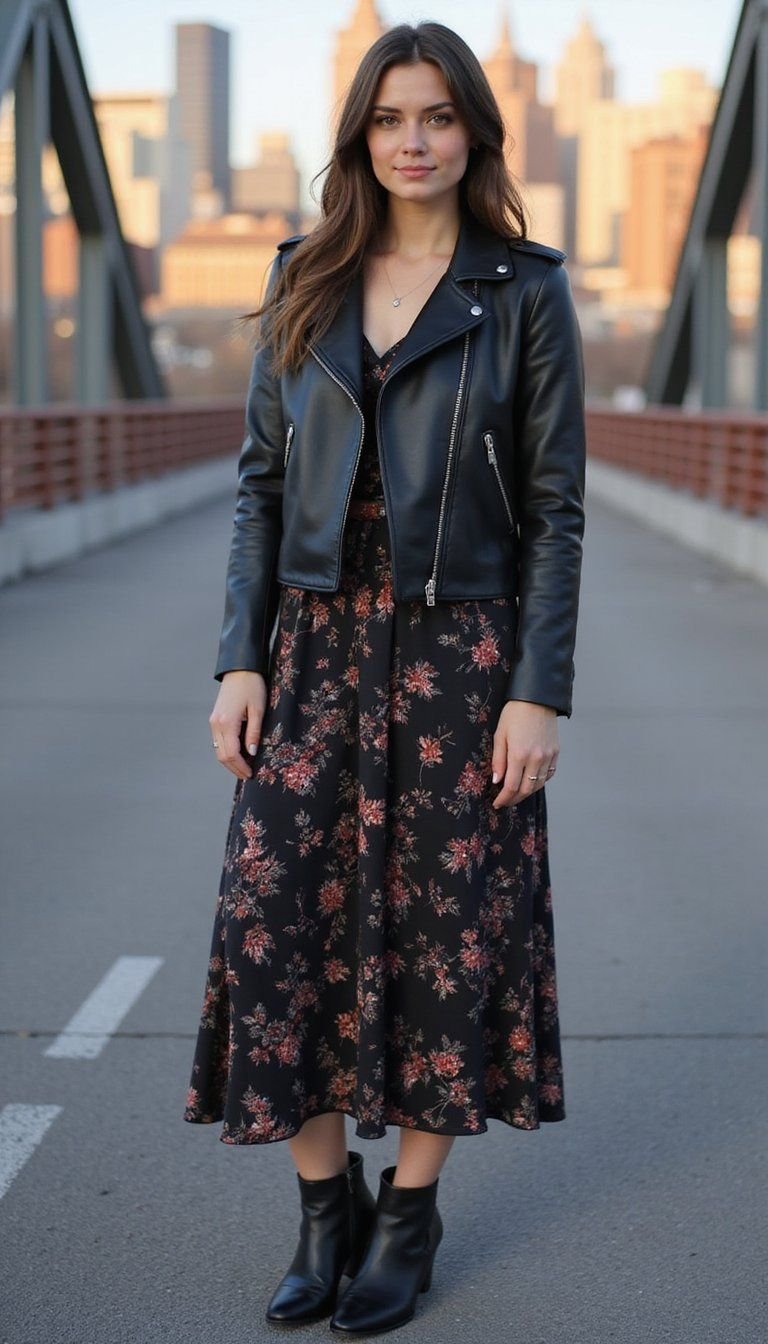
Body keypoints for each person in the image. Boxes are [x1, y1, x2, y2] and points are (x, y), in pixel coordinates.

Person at [183, 19, 586, 1337]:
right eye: (389, 118)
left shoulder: (521, 289)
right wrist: (238, 656)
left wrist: (542, 685)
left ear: (475, 132)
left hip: (459, 650)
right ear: (361, 136)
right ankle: (323, 1211)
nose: (413, 140)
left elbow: (555, 504)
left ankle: (408, 1215)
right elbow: (257, 487)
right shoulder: (305, 275)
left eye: (438, 117)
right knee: (273, 915)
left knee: (443, 932)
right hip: (307, 647)